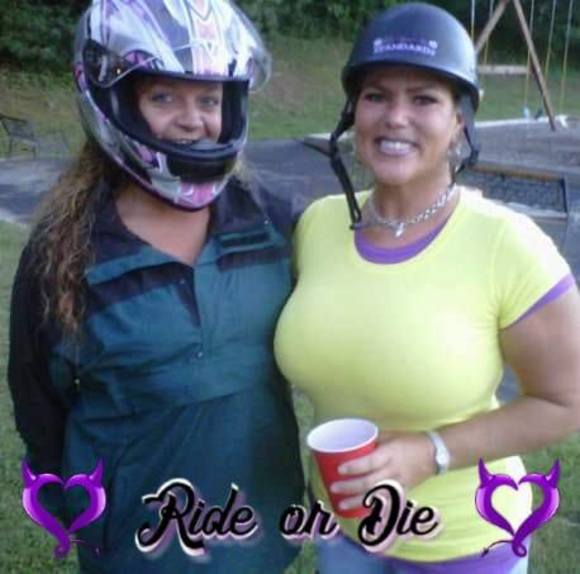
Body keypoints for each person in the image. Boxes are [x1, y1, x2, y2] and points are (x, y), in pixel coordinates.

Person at [274, 3, 580, 573]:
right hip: (345, 532)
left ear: (459, 120)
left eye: (424, 99)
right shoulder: (317, 225)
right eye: (376, 96)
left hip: (467, 542)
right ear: (353, 112)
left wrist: (433, 451)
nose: (395, 117)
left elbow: (567, 402)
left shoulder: (507, 244)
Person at [8, 0, 304, 572]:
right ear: (118, 101)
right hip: (134, 545)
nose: (193, 120)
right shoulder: (64, 252)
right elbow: (39, 401)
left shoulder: (271, 221)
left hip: (259, 535)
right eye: (164, 97)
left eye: (209, 100)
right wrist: (74, 508)